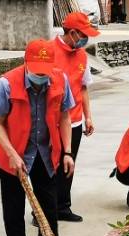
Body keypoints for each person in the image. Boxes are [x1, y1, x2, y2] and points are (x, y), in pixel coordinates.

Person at [0, 39, 77, 236]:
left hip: (45, 153)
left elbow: (65, 117)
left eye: (44, 72)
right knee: (14, 208)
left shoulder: (60, 80)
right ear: (26, 63)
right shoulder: (6, 84)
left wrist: (68, 151)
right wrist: (12, 154)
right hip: (12, 153)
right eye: (36, 71)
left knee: (48, 207)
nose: (41, 76)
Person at [50, 12, 101, 223]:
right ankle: (43, 211)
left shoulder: (81, 55)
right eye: (83, 35)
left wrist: (88, 117)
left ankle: (63, 206)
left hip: (75, 120)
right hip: (52, 121)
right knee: (50, 167)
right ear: (72, 33)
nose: (85, 40)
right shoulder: (49, 52)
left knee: (68, 164)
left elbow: (83, 88)